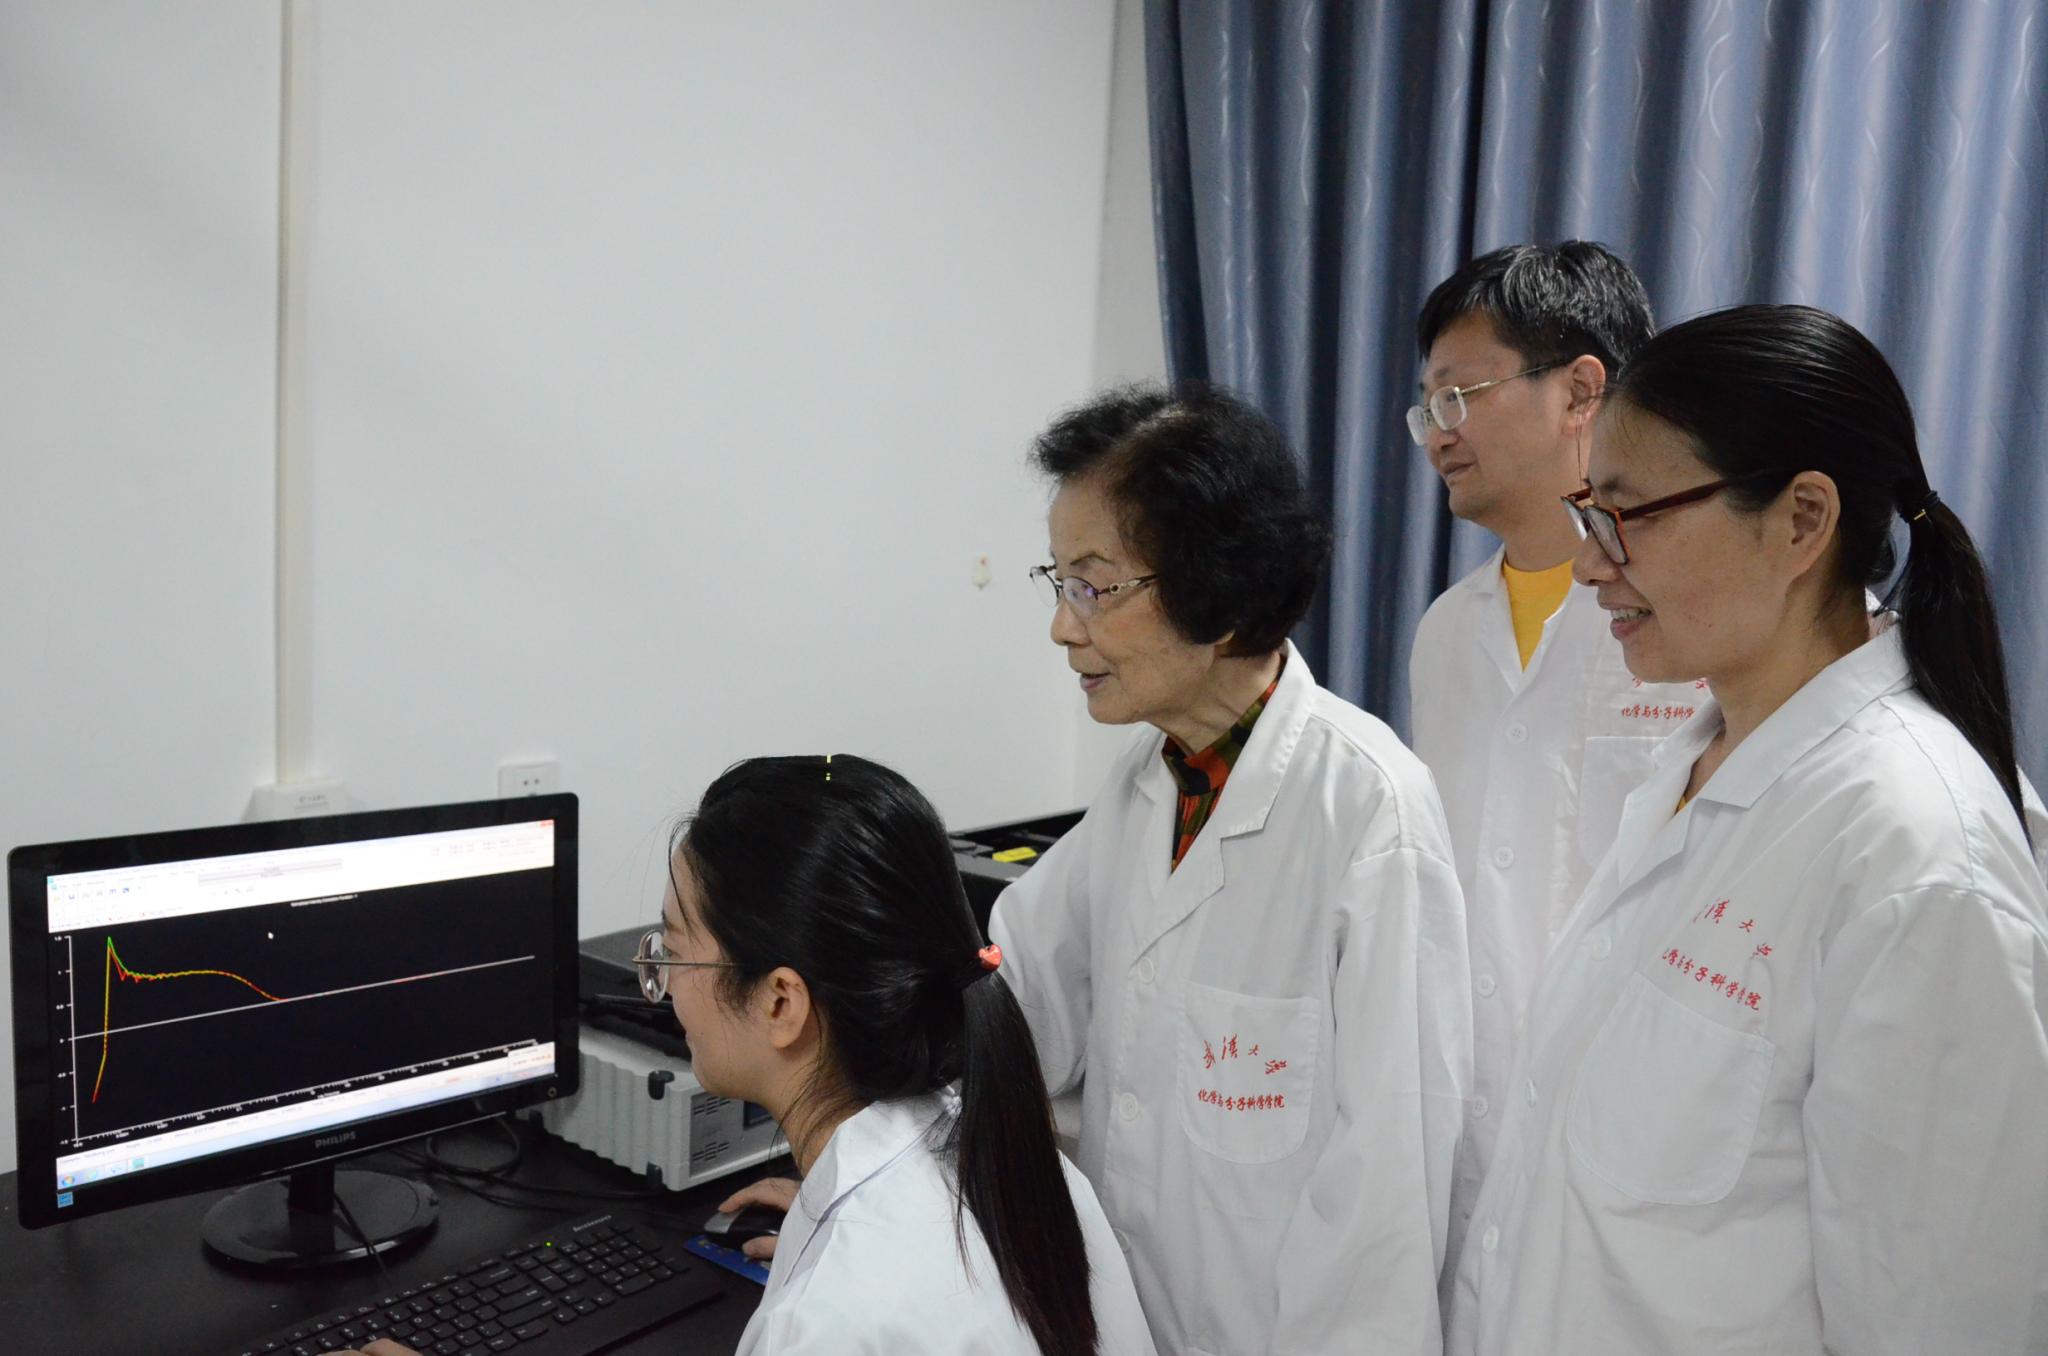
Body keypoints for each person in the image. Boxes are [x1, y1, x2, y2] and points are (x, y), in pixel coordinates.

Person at [1446, 304, 2048, 1354]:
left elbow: (1943, 1318)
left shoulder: (1913, 855)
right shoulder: (1694, 770)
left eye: (1626, 516)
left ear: (1800, 521)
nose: (1590, 565)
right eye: (1591, 513)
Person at [332, 754, 1155, 1356]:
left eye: (674, 953)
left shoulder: (833, 1319)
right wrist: (826, 1219)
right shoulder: (1014, 1164)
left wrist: (839, 1240)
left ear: (781, 1003)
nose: (663, 987)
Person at [990, 384, 1472, 1354]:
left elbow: (1385, 1205)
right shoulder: (1149, 779)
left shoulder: (1367, 811)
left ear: (1217, 594)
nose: (1062, 627)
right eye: (1059, 582)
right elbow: (1014, 994)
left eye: (1094, 587)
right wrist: (867, 1171)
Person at [1403, 242, 1712, 1268]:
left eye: (1460, 395)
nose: (1438, 433)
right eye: (1426, 408)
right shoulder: (1446, 633)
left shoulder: (1706, 611)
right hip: (1472, 1145)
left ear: (1581, 389)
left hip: (1656, 1149)